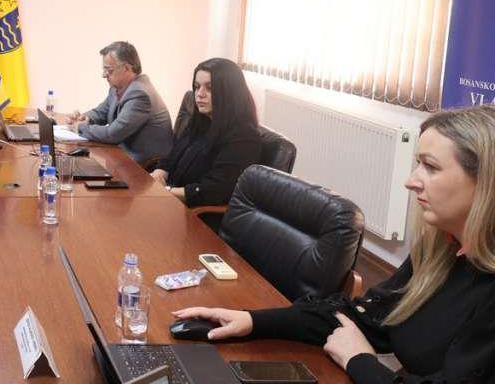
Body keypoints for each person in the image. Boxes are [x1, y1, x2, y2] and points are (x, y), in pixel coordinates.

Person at [174, 105, 495, 383]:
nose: (411, 181)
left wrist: (360, 361)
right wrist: (252, 321)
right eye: (418, 164)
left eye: (431, 167)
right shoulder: (441, 249)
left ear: (486, 182)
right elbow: (368, 318)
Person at [151, 58, 261, 206]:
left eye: (209, 88)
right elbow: (174, 152)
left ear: (229, 92)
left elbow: (213, 190)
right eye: (197, 87)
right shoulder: (202, 119)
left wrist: (166, 191)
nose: (199, 94)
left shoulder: (244, 137)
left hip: (197, 212)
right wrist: (160, 171)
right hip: (173, 199)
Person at [66, 41, 173, 166]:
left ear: (127, 68)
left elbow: (113, 134)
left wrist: (80, 127)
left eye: (109, 70)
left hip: (144, 166)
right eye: (104, 69)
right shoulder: (117, 88)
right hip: (122, 155)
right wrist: (84, 118)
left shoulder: (140, 94)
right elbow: (101, 112)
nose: (104, 75)